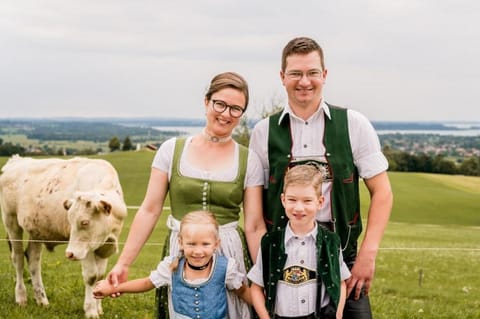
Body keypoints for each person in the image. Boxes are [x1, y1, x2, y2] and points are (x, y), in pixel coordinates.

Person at [249, 37, 393, 319]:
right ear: (282, 77)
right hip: (281, 257)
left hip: (344, 256)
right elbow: (253, 219)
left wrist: (367, 254)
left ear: (324, 75)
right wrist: (264, 266)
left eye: (312, 72)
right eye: (295, 73)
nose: (305, 81)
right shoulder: (263, 132)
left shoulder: (354, 124)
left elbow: (383, 193)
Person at [107, 72, 266, 319]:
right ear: (206, 102)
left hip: (228, 251)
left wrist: (261, 276)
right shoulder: (171, 150)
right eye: (220, 104)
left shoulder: (249, 160)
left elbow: (255, 226)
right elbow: (150, 209)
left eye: (236, 109)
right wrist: (123, 263)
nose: (226, 114)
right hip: (182, 249)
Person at [94, 211, 252, 319]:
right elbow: (146, 283)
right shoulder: (172, 267)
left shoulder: (226, 268)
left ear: (216, 244)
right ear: (180, 243)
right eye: (191, 244)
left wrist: (266, 306)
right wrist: (114, 288)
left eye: (205, 244)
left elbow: (243, 291)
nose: (198, 251)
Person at [248, 165, 351, 319]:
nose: (298, 207)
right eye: (292, 200)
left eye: (307, 201)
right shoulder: (271, 243)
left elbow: (341, 283)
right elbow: (256, 288)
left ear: (320, 202)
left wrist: (338, 313)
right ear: (283, 200)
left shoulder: (331, 242)